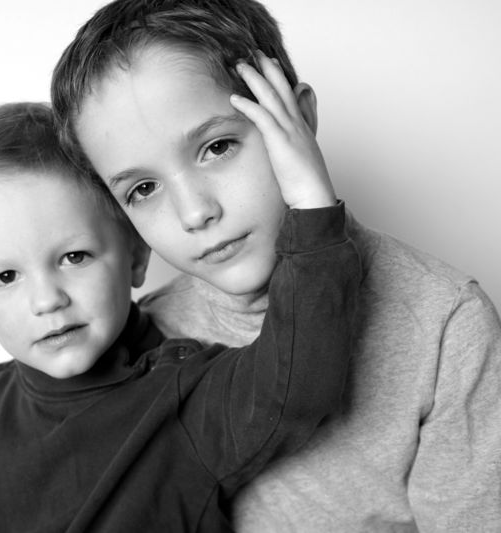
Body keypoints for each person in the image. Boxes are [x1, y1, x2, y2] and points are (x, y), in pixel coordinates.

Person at [50, 0, 501, 530]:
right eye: (143, 189)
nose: (195, 212)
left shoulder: (444, 323)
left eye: (217, 147)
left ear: (301, 117)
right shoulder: (147, 337)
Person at [0, 101, 360, 531]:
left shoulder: (180, 393)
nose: (47, 300)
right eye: (6, 277)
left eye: (74, 257)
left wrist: (311, 206)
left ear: (135, 256)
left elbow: (301, 383)